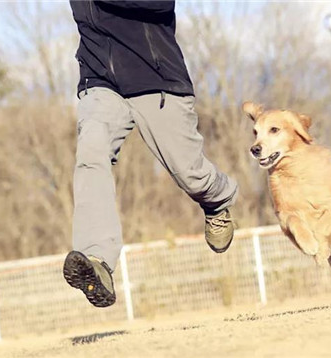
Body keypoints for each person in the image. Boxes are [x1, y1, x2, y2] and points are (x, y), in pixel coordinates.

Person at [63, 0, 238, 308]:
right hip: (100, 83)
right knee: (91, 152)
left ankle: (218, 202)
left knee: (190, 173)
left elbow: (160, 4)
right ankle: (97, 260)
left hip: (156, 80)